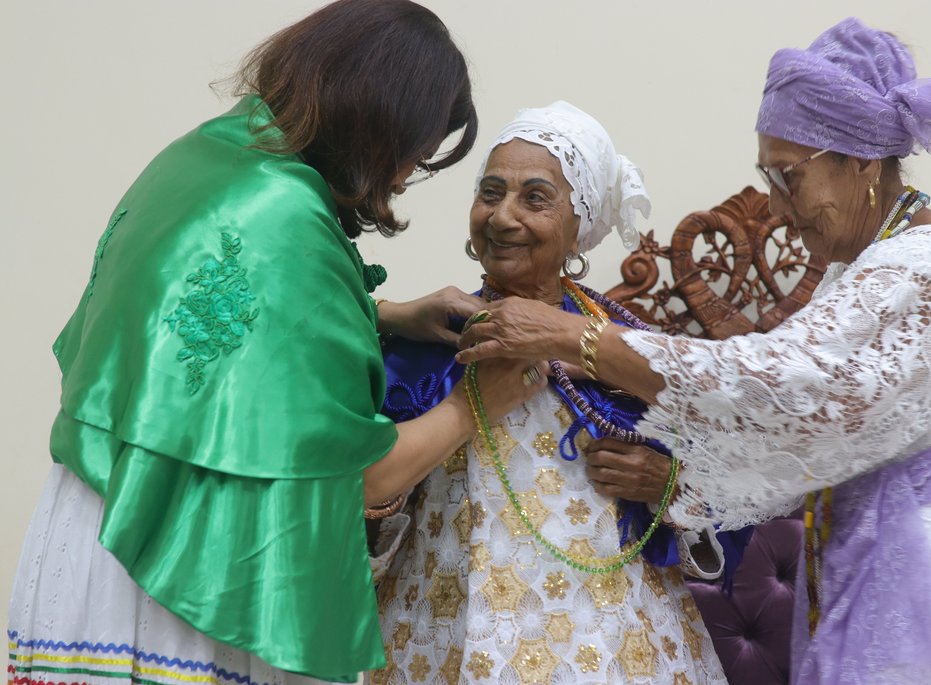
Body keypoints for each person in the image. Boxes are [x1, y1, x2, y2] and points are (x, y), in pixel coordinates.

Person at [456, 18, 931, 685]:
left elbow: (778, 384)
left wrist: (574, 339)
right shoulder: (880, 264)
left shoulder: (925, 267)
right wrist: (678, 480)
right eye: (768, 176)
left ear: (862, 163)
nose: (779, 207)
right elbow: (818, 437)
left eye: (789, 176)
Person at [6, 2, 541, 684]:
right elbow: (359, 475)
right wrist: (475, 403)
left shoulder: (211, 154)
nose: (409, 175)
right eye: (418, 152)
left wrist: (385, 315)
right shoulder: (290, 221)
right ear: (380, 125)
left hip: (94, 522)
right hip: (177, 571)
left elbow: (220, 325)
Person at [369, 102, 729, 685]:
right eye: (490, 193)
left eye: (534, 198)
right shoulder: (425, 344)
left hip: (613, 645)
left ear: (577, 226)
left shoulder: (629, 350)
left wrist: (667, 486)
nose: (502, 217)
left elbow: (735, 487)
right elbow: (354, 511)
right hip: (443, 638)